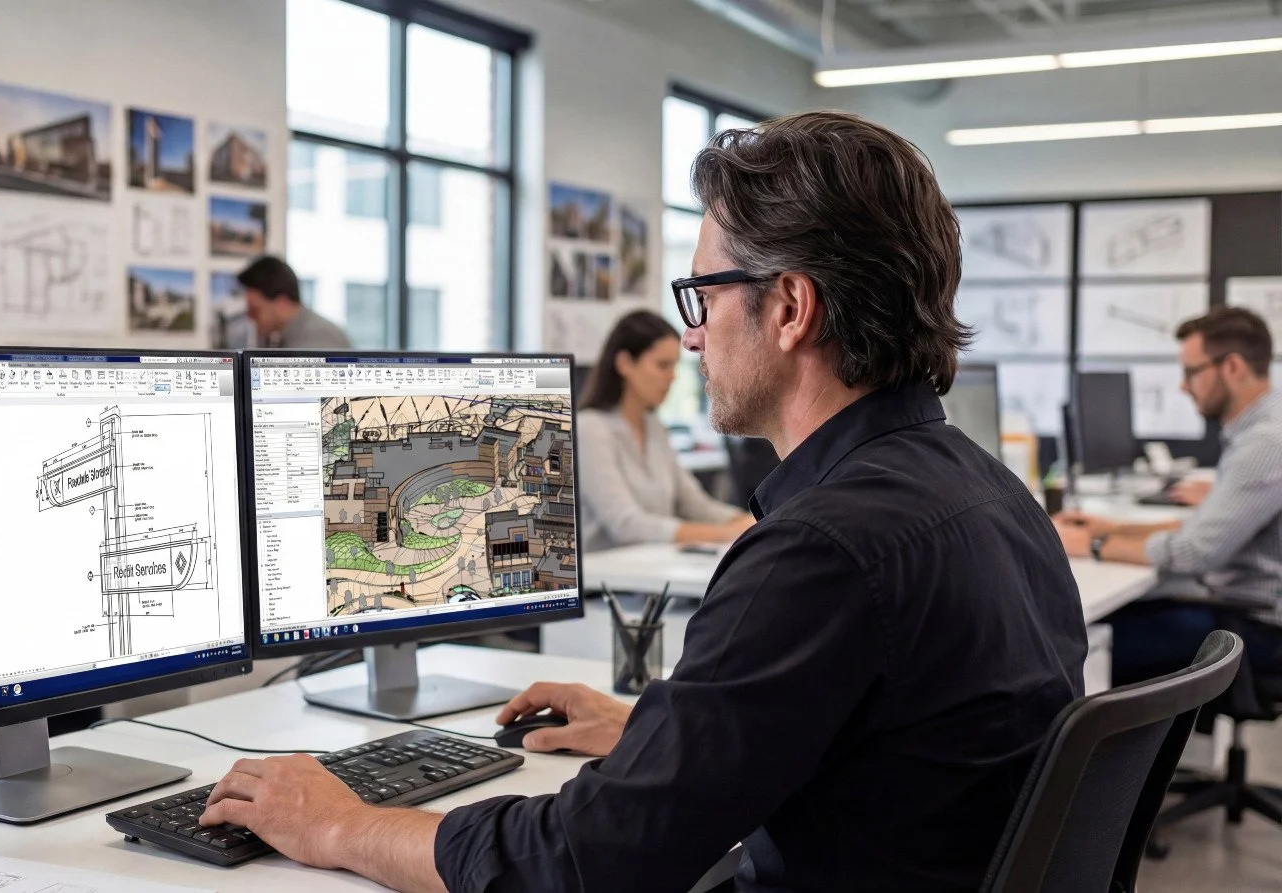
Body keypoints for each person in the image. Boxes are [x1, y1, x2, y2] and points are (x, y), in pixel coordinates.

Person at [193, 111, 1087, 893]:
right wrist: (657, 735)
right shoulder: (990, 491)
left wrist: (340, 824)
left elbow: (585, 862)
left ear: (790, 308)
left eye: (702, 295)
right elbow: (885, 745)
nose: (692, 336)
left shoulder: (823, 550)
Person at [1054, 306, 1282, 683]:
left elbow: (1193, 552)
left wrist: (1092, 545)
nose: (1183, 386)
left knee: (1069, 647)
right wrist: (1109, 528)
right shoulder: (1260, 430)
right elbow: (1201, 527)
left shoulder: (1265, 443)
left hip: (1256, 629)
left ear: (1232, 367)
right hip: (1239, 608)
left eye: (1191, 372)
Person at [577, 309, 752, 551]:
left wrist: (755, 523)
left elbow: (696, 505)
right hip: (607, 572)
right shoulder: (590, 429)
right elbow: (626, 524)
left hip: (652, 567)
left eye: (675, 366)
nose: (672, 377)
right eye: (663, 365)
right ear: (625, 364)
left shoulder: (654, 427)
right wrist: (728, 534)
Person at [237, 255, 353, 349]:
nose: (250, 317)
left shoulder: (317, 340)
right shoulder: (284, 335)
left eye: (255, 310)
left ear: (282, 304)